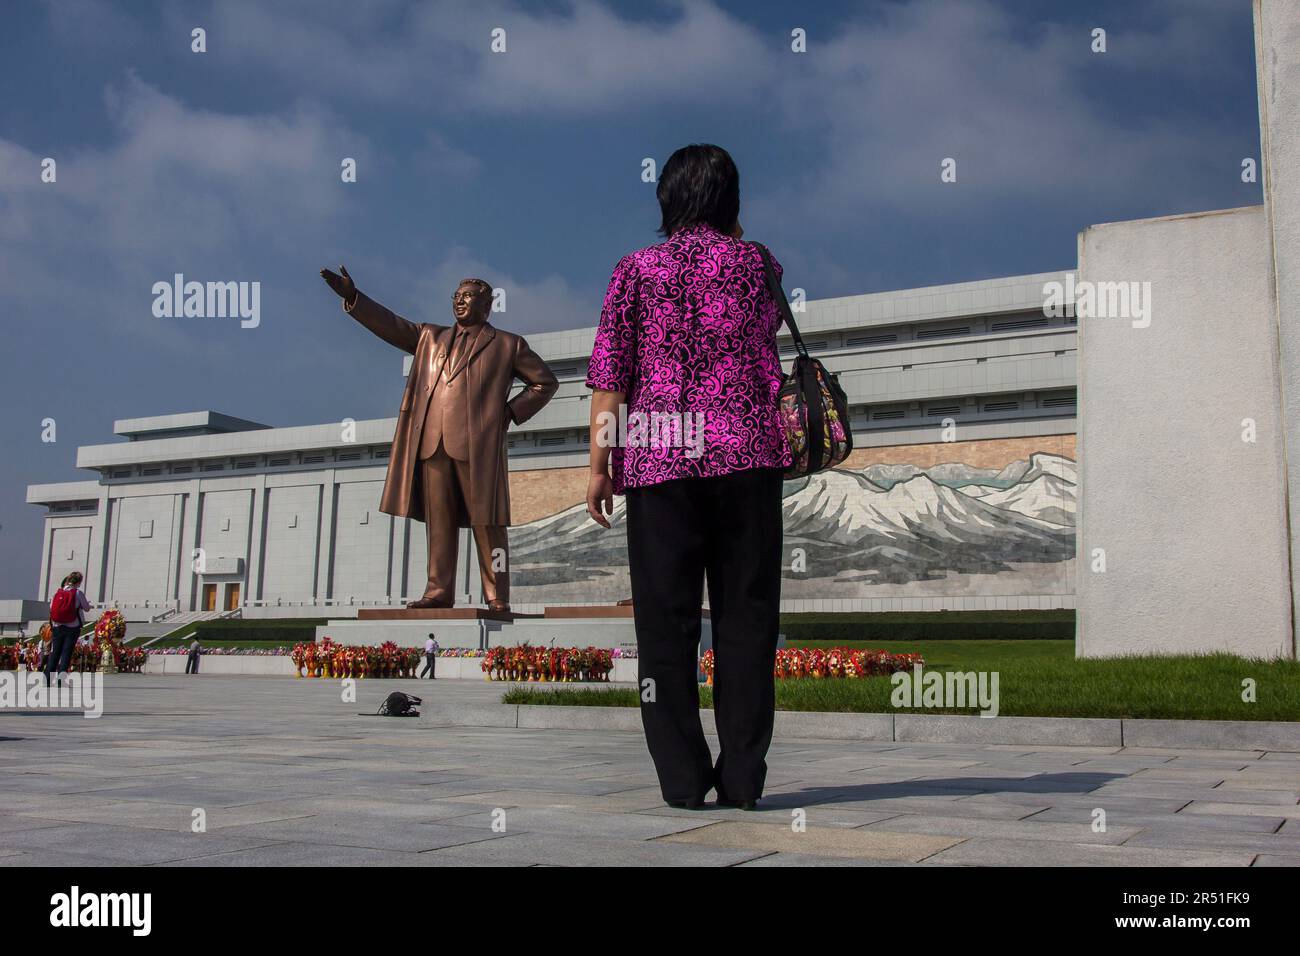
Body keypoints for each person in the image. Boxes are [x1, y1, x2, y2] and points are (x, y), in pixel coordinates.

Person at [585, 144, 791, 811]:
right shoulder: (758, 263)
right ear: (732, 200)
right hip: (746, 455)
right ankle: (740, 777)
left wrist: (598, 465)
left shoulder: (634, 271)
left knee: (666, 627)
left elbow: (610, 379)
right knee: (747, 621)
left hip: (658, 458)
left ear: (666, 199)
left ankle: (680, 776)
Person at [319, 268, 557, 612]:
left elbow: (544, 383)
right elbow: (392, 325)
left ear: (488, 305)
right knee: (439, 522)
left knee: (488, 524)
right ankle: (438, 591)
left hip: (479, 447)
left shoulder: (508, 344)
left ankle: (497, 595)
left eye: (469, 296)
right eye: (456, 297)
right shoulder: (429, 338)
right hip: (432, 443)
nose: (460, 301)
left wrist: (506, 415)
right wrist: (354, 299)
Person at [45, 571, 90, 687]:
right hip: (72, 627)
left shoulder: (58, 593)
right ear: (79, 582)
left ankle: (47, 679)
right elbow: (86, 608)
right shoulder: (78, 593)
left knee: (55, 652)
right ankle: (61, 680)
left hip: (57, 626)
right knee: (66, 653)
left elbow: (51, 608)